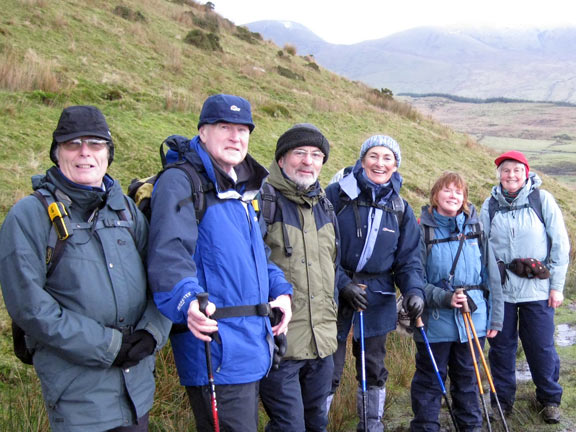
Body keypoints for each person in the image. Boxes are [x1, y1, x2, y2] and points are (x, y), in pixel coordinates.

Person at [0, 105, 171, 431]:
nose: (85, 153)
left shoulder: (127, 213)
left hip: (137, 393)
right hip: (79, 401)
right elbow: (30, 308)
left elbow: (163, 279)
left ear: (108, 153)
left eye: (95, 144)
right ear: (56, 153)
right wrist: (109, 347)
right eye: (72, 144)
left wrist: (153, 333)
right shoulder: (29, 217)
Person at [146, 94, 293, 431]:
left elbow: (259, 259)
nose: (235, 137)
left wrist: (281, 292)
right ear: (202, 132)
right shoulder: (182, 182)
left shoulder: (244, 192)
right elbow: (169, 255)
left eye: (243, 130)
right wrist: (187, 302)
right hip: (217, 351)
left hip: (254, 345)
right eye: (224, 127)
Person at [326, 135, 426, 432]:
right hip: (334, 293)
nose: (379, 163)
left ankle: (371, 426)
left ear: (396, 166)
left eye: (387, 158)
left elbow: (409, 259)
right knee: (327, 369)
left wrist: (413, 291)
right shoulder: (336, 196)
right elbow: (321, 250)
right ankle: (315, 424)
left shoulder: (400, 208)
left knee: (373, 368)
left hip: (378, 296)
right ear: (362, 160)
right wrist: (343, 283)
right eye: (373, 156)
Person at [258, 124, 350, 431]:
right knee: (289, 427)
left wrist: (345, 287)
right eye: (300, 153)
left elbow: (332, 266)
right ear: (282, 159)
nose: (308, 161)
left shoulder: (325, 206)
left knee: (317, 424)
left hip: (323, 344)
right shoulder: (263, 202)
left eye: (315, 155)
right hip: (280, 346)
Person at [410, 171, 504, 432]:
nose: (453, 195)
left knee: (468, 380)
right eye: (447, 190)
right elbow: (414, 279)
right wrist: (444, 297)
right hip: (434, 322)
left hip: (473, 319)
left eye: (458, 191)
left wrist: (496, 317)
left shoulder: (476, 228)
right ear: (435, 195)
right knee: (430, 381)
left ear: (464, 198)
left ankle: (471, 427)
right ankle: (426, 428)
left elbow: (491, 277)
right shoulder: (422, 230)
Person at [480, 150, 570, 424]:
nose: (511, 175)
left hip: (538, 289)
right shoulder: (490, 205)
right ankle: (501, 402)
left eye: (517, 170)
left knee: (541, 347)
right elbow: (482, 248)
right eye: (506, 170)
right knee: (501, 348)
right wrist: (484, 288)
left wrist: (557, 287)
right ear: (499, 175)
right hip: (501, 291)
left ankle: (549, 399)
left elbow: (561, 246)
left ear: (526, 172)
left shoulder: (542, 200)